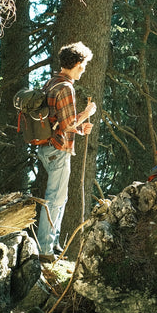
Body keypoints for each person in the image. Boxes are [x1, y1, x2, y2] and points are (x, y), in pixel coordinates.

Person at [35, 42, 97, 261]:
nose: (84, 69)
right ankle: (45, 250)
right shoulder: (66, 88)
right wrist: (86, 113)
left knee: (59, 198)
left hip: (46, 147)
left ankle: (53, 244)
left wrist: (80, 129)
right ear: (78, 64)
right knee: (54, 199)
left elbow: (57, 120)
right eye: (84, 65)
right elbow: (67, 122)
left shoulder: (51, 82)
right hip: (59, 149)